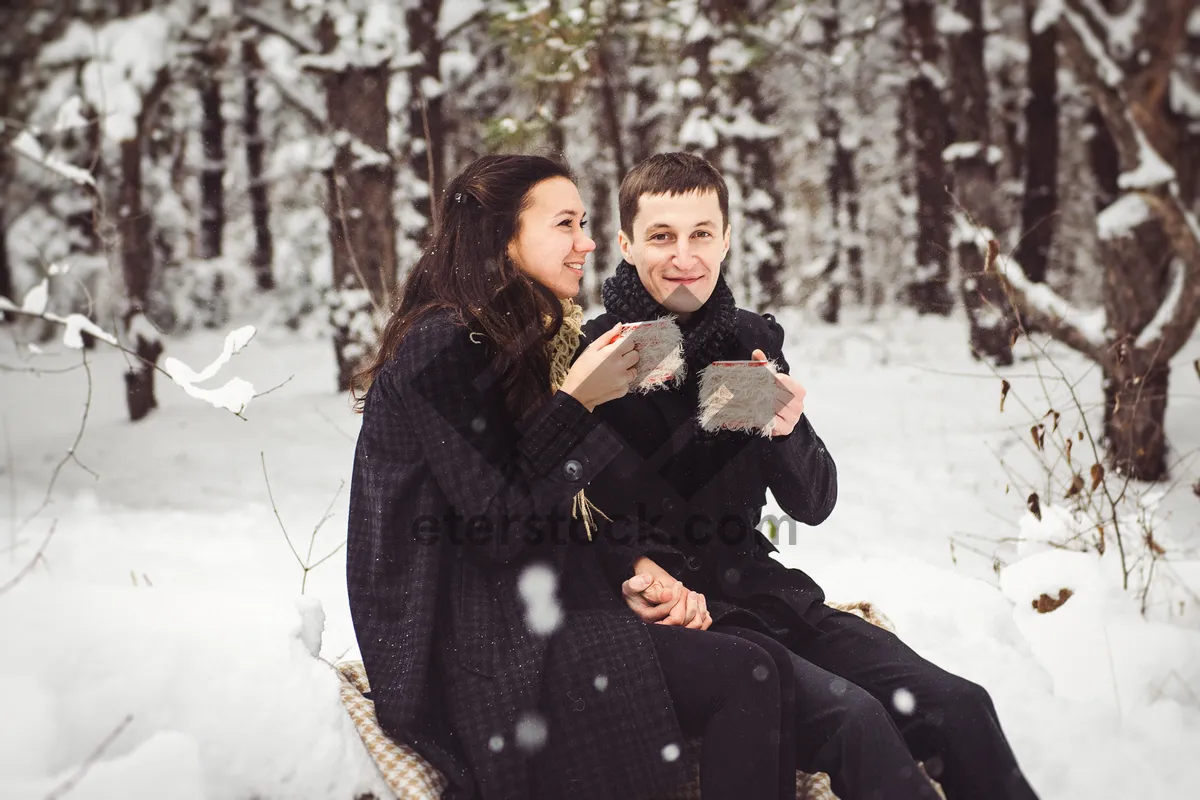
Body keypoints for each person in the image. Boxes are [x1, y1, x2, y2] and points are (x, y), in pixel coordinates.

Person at [580, 151, 1041, 800]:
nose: (684, 256)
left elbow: (812, 503)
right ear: (626, 244)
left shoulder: (745, 343)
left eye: (701, 234)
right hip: (687, 626)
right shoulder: (597, 357)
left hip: (767, 595)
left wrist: (790, 430)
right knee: (856, 721)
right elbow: (571, 513)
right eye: (662, 236)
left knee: (959, 705)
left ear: (727, 237)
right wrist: (634, 564)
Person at [346, 154, 790, 800]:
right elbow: (500, 528)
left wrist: (629, 568)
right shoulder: (440, 346)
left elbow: (552, 505)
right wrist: (577, 403)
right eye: (565, 224)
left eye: (584, 222)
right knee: (747, 674)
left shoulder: (513, 336)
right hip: (464, 642)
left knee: (762, 658)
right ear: (504, 238)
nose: (586, 241)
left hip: (523, 602)